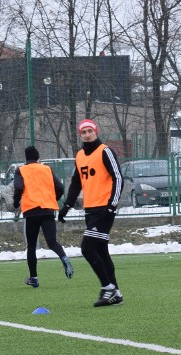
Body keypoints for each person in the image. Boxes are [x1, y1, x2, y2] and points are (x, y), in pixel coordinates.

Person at [58, 119, 125, 306]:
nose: (87, 134)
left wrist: (111, 205)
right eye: (83, 132)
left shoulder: (105, 151)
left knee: (87, 248)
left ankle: (108, 288)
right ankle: (116, 294)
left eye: (90, 131)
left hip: (104, 209)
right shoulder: (80, 155)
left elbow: (118, 178)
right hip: (90, 210)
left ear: (96, 131)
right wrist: (66, 206)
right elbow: (76, 183)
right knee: (101, 251)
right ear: (80, 135)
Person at [13, 146, 74, 288]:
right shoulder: (46, 169)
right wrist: (52, 198)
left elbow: (18, 187)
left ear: (26, 158)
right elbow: (60, 187)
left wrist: (16, 202)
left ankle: (33, 278)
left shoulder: (21, 170)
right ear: (38, 157)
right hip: (48, 210)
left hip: (31, 211)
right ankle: (64, 257)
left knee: (32, 246)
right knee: (52, 242)